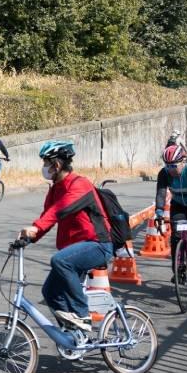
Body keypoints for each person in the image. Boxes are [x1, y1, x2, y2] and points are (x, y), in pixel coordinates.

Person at [18, 141, 114, 332]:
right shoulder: (55, 189)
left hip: (97, 245)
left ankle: (82, 314)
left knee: (60, 261)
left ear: (57, 165)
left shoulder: (80, 184)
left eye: (46, 163)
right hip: (76, 249)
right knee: (50, 292)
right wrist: (28, 239)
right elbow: (47, 217)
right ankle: (74, 335)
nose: (44, 167)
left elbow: (59, 210)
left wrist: (35, 228)